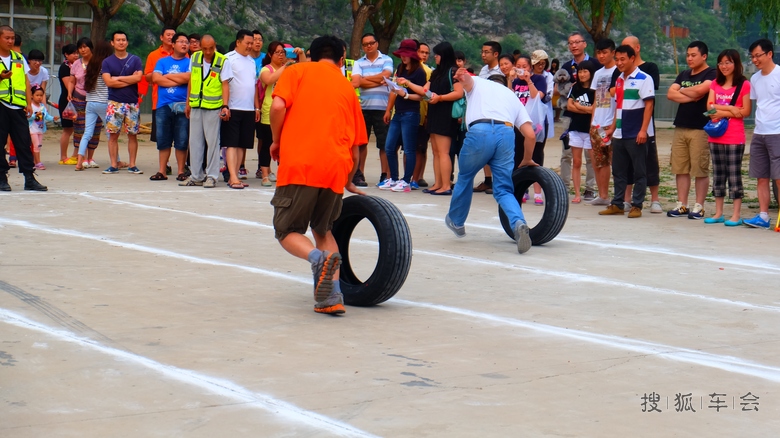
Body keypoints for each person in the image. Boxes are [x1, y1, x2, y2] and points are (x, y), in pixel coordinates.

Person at [268, 35, 367, 315]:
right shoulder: (347, 88)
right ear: (341, 57)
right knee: (323, 230)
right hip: (336, 166)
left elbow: (277, 107)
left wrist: (276, 140)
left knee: (286, 230)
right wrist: (349, 178)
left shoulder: (296, 70)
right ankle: (330, 298)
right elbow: (357, 145)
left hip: (300, 162)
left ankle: (316, 258)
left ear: (310, 54)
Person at [444, 70, 537, 254]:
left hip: (480, 131)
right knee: (503, 189)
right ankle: (518, 222)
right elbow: (531, 135)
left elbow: (468, 81)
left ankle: (457, 222)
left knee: (465, 177)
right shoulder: (512, 97)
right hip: (506, 133)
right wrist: (527, 159)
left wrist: (463, 77)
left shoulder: (480, 82)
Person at [599, 45, 654, 218]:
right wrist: (612, 129)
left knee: (639, 171)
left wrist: (643, 130)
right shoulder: (619, 80)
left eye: (623, 59)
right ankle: (617, 203)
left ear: (632, 58)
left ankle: (637, 205)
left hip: (635, 132)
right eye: (617, 59)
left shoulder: (645, 78)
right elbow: (619, 106)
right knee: (619, 171)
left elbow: (649, 105)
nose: (619, 63)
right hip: (620, 133)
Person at [401, 41, 463, 195]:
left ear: (445, 55)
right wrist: (407, 84)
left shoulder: (453, 71)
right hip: (434, 113)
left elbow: (459, 92)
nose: (435, 57)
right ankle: (438, 183)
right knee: (436, 151)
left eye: (437, 54)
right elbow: (424, 91)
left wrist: (440, 98)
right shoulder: (436, 72)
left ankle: (446, 186)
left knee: (443, 152)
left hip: (446, 114)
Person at [666, 41, 716, 219]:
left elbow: (704, 89)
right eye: (688, 55)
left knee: (699, 168)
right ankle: (682, 204)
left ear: (704, 56)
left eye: (693, 55)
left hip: (700, 128)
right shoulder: (684, 73)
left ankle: (699, 206)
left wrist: (685, 91)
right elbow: (670, 94)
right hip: (681, 126)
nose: (689, 58)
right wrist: (692, 95)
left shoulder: (712, 73)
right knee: (681, 168)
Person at [703, 49, 751, 226]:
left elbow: (745, 111)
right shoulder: (715, 83)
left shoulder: (743, 84)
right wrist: (731, 110)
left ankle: (736, 214)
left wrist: (720, 109)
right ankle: (718, 213)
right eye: (721, 63)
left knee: (734, 175)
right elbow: (709, 110)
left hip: (734, 137)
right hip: (716, 135)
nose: (724, 66)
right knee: (718, 174)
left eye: (728, 62)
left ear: (736, 64)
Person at [0, 25, 48, 191]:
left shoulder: (19, 57)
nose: (10, 41)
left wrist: (28, 103)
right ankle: (2, 178)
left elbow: (26, 82)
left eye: (12, 38)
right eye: (7, 38)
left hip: (18, 107)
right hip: (1, 104)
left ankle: (29, 178)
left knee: (24, 142)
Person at [379, 39, 426, 193]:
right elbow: (396, 89)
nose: (403, 58)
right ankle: (393, 178)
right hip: (398, 113)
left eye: (406, 55)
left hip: (411, 113)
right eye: (401, 55)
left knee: (409, 149)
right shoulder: (400, 67)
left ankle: (406, 181)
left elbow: (421, 96)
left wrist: (405, 95)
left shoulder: (419, 72)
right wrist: (389, 107)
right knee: (389, 146)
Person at [622, 36, 662, 213]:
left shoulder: (649, 69)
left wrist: (644, 128)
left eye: (628, 47)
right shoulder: (620, 71)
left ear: (637, 48)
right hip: (625, 126)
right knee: (627, 163)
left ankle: (655, 199)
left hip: (644, 126)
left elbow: (649, 97)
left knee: (649, 162)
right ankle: (626, 199)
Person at [257, 40, 306, 187]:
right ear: (270, 54)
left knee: (285, 146)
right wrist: (286, 65)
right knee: (267, 144)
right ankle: (265, 174)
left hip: (287, 111)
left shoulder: (291, 68)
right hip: (269, 111)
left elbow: (303, 68)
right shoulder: (266, 69)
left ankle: (283, 174)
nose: (280, 55)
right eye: (277, 52)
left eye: (283, 53)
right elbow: (269, 80)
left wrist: (301, 54)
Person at [744, 39, 780, 229]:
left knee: (779, 177)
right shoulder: (755, 79)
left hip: (777, 133)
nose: (755, 60)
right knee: (762, 176)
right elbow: (758, 104)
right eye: (752, 56)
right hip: (759, 132)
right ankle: (763, 216)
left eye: (758, 55)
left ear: (769, 54)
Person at [560, 32, 600, 201]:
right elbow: (562, 93)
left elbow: (596, 106)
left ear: (584, 44)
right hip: (570, 119)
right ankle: (565, 187)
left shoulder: (596, 65)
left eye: (577, 42)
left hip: (590, 122)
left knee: (591, 158)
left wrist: (581, 107)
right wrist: (580, 108)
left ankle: (590, 188)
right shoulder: (566, 66)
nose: (574, 45)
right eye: (570, 43)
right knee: (567, 154)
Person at [350, 32, 393, 187]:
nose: (368, 46)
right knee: (361, 143)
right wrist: (379, 79)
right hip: (364, 107)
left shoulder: (386, 59)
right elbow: (355, 82)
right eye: (365, 44)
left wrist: (365, 80)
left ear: (377, 44)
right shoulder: (358, 63)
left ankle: (385, 175)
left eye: (371, 43)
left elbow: (386, 76)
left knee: (384, 144)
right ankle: (359, 174)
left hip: (382, 108)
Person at [221, 29, 261, 189]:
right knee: (231, 143)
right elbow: (224, 83)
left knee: (242, 144)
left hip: (248, 108)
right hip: (233, 107)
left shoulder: (251, 61)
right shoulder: (228, 59)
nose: (250, 46)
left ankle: (235, 176)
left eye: (252, 43)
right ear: (238, 42)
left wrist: (256, 108)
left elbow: (253, 86)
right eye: (248, 43)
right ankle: (232, 176)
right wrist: (225, 105)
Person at [101, 30, 144, 175]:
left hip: (132, 103)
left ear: (127, 42)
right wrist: (128, 79)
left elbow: (138, 78)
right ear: (112, 43)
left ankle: (132, 164)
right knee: (113, 135)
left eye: (124, 40)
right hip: (114, 103)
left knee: (133, 134)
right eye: (118, 40)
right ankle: (114, 164)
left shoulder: (135, 59)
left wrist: (117, 79)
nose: (121, 42)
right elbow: (108, 82)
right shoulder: (107, 62)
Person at [184, 35, 224, 188]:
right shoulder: (194, 58)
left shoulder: (222, 60)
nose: (208, 52)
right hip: (196, 105)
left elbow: (225, 84)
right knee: (194, 142)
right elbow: (191, 81)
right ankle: (196, 176)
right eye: (205, 48)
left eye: (211, 48)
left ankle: (212, 176)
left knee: (213, 143)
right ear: (200, 47)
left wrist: (225, 106)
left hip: (213, 107)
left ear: (215, 46)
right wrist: (188, 102)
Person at [508, 53, 548, 204]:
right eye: (518, 67)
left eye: (524, 66)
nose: (521, 69)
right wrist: (510, 80)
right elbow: (509, 96)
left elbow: (537, 96)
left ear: (530, 67)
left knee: (536, 156)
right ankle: (522, 189)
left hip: (535, 122)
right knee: (518, 155)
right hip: (518, 123)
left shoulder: (539, 79)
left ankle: (538, 192)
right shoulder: (515, 81)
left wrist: (529, 80)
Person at [152, 32, 191, 182]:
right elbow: (156, 79)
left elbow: (189, 78)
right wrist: (179, 80)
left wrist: (166, 76)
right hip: (163, 105)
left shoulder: (190, 62)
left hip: (183, 105)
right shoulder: (162, 61)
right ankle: (162, 171)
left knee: (182, 139)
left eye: (186, 42)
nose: (184, 44)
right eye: (181, 41)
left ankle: (181, 171)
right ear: (173, 44)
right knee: (163, 139)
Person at [588, 38, 618, 206]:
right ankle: (603, 194)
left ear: (613, 52)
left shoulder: (618, 72)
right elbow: (595, 100)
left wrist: (614, 124)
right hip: (597, 123)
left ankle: (620, 196)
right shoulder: (598, 74)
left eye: (605, 52)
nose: (601, 55)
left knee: (613, 161)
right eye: (599, 52)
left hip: (610, 122)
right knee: (599, 161)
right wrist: (592, 122)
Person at [75, 40, 112, 171]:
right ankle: (116, 161)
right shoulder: (106, 65)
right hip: (103, 102)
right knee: (111, 134)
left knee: (87, 133)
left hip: (90, 103)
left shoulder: (91, 65)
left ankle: (79, 162)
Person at [473, 41, 504, 195]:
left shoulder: (502, 69)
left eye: (487, 52)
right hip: (484, 111)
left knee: (497, 149)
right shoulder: (484, 70)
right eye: (482, 51)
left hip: (498, 112)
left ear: (495, 54)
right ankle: (488, 180)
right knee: (485, 147)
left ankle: (498, 181)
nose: (483, 55)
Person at [68, 38, 103, 168]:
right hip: (79, 99)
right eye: (80, 48)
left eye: (85, 47)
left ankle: (90, 158)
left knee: (95, 128)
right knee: (80, 128)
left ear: (90, 47)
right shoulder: (76, 63)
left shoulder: (98, 62)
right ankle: (80, 157)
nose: (83, 50)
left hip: (95, 98)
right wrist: (69, 93)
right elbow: (72, 81)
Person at [566, 59, 596, 203]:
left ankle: (593, 189)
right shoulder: (574, 88)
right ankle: (577, 193)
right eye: (580, 71)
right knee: (576, 162)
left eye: (585, 71)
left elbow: (594, 109)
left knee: (594, 161)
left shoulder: (595, 89)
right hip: (575, 128)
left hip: (590, 130)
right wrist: (586, 110)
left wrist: (580, 108)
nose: (582, 74)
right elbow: (569, 106)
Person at [144, 27, 176, 145]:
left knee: (180, 137)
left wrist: (162, 76)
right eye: (168, 34)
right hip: (159, 101)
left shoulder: (183, 54)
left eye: (173, 34)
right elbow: (147, 76)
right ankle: (165, 163)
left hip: (179, 101)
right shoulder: (153, 55)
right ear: (161, 37)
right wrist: (163, 74)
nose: (171, 37)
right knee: (161, 137)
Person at [411, 41, 433, 188]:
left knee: (421, 147)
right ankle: (410, 175)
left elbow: (428, 95)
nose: (423, 55)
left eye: (426, 53)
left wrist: (427, 116)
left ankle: (419, 176)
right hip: (406, 112)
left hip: (422, 112)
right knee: (408, 147)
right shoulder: (404, 69)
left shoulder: (428, 71)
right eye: (421, 52)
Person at [27, 85, 57, 169]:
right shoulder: (30, 106)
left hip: (40, 129)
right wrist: (35, 115)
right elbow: (28, 118)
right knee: (36, 145)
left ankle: (34, 161)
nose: (39, 97)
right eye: (37, 95)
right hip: (32, 130)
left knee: (39, 146)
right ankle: (38, 162)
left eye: (41, 95)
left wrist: (53, 118)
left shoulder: (42, 107)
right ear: (32, 96)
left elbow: (46, 116)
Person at [57, 43, 78, 164]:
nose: (76, 55)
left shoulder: (79, 66)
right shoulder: (65, 68)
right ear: (66, 54)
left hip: (78, 101)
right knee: (68, 129)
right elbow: (69, 85)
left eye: (77, 53)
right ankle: (63, 157)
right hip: (67, 102)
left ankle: (75, 155)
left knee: (78, 129)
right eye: (73, 53)